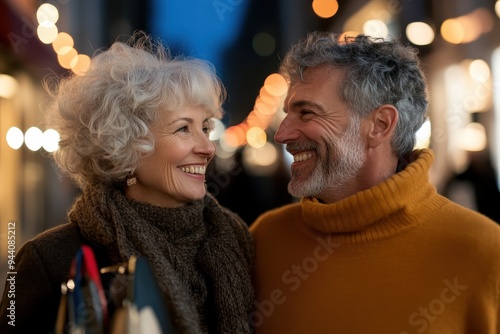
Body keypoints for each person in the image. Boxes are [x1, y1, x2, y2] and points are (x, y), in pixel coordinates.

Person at [0, 32, 253, 333]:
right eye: (184, 129)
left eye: (206, 127)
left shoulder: (238, 237)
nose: (208, 148)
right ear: (126, 146)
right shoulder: (49, 260)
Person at [249, 31, 500, 333]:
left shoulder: (485, 252)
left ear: (379, 125)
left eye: (306, 113)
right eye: (288, 113)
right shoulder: (265, 239)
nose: (282, 134)